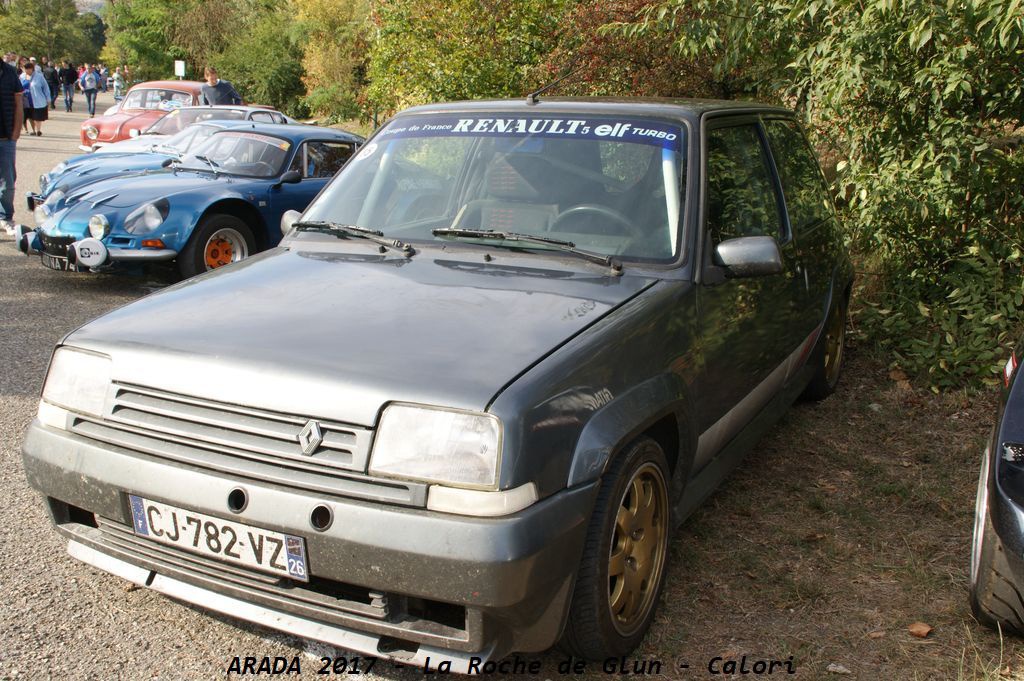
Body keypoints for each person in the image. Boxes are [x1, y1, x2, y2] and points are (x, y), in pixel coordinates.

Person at [0, 55, 23, 235]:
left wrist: (16, 132)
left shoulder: (9, 72)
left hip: (6, 138)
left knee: (8, 183)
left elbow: (18, 103)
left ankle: (5, 217)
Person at [22, 62, 48, 136]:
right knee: (27, 116)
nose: (26, 71)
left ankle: (37, 130)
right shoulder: (22, 76)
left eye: (27, 69)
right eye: (25, 69)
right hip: (25, 100)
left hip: (36, 99)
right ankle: (27, 130)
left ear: (31, 69)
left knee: (36, 116)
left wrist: (48, 99)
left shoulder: (39, 76)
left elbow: (45, 88)